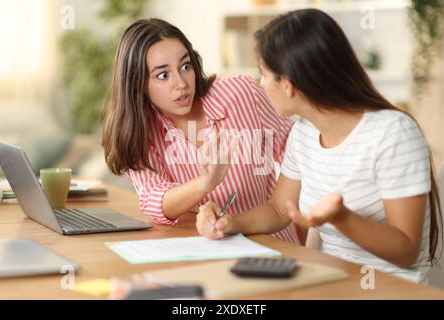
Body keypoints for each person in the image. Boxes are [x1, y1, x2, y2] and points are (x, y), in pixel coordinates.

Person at [196, 9, 443, 283]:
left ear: (288, 84)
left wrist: (342, 218)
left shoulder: (393, 133)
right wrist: (230, 223)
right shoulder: (303, 132)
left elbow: (406, 249)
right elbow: (279, 210)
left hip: (390, 289)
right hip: (332, 281)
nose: (261, 84)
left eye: (264, 75)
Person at [101, 18, 299, 243]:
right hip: (205, 247)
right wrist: (205, 183)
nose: (181, 83)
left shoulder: (241, 93)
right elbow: (152, 201)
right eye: (163, 75)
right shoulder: (138, 132)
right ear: (138, 84)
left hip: (273, 244)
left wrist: (306, 223)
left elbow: (297, 150)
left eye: (185, 66)